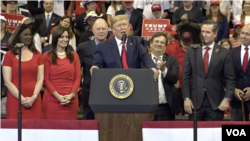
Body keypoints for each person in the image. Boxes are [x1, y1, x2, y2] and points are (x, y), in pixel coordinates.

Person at [182, 20, 235, 121]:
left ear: (215, 34)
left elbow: (230, 78)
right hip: (195, 101)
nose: (204, 35)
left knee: (214, 135)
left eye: (207, 32)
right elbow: (185, 77)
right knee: (194, 135)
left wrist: (226, 99)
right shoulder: (192, 50)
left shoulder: (224, 52)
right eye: (202, 31)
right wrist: (186, 98)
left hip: (216, 102)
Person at [91, 15, 158, 80]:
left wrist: (152, 68)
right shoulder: (103, 46)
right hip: (112, 83)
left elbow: (145, 57)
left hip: (134, 81)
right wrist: (95, 68)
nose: (122, 27)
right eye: (119, 25)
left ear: (129, 28)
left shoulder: (136, 42)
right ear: (113, 30)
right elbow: (97, 65)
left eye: (124, 25)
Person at [2, 24, 44, 119]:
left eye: (30, 35)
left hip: (34, 99)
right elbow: (7, 82)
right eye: (25, 34)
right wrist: (22, 99)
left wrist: (33, 97)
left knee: (34, 130)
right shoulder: (9, 55)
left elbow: (40, 79)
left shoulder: (37, 55)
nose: (28, 37)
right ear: (18, 36)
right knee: (14, 130)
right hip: (15, 99)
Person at [43, 26, 81, 120]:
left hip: (71, 100)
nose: (65, 39)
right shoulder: (47, 56)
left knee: (70, 131)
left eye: (67, 37)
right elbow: (46, 80)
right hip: (52, 99)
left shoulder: (74, 55)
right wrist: (58, 97)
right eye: (62, 37)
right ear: (56, 38)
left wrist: (71, 95)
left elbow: (77, 78)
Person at [77, 18, 109, 119]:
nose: (101, 31)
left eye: (103, 29)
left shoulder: (114, 47)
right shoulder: (83, 47)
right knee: (88, 125)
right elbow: (77, 71)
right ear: (93, 30)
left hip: (109, 92)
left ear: (107, 30)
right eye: (98, 29)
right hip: (89, 93)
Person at [149, 32, 179, 120]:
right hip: (147, 107)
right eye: (156, 41)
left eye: (162, 42)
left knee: (167, 133)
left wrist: (164, 70)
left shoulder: (172, 60)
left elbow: (174, 79)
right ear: (151, 43)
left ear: (166, 46)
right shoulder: (142, 60)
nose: (159, 44)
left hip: (166, 107)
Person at [230, 23, 250, 121]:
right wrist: (233, 89)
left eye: (247, 34)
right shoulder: (231, 53)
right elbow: (226, 76)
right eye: (242, 33)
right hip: (236, 102)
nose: (243, 36)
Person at [171, 31, 193, 116]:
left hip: (191, 87)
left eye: (188, 41)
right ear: (181, 41)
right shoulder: (175, 52)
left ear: (192, 42)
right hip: (178, 87)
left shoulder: (196, 52)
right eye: (184, 41)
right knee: (177, 113)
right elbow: (170, 67)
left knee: (189, 113)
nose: (186, 44)